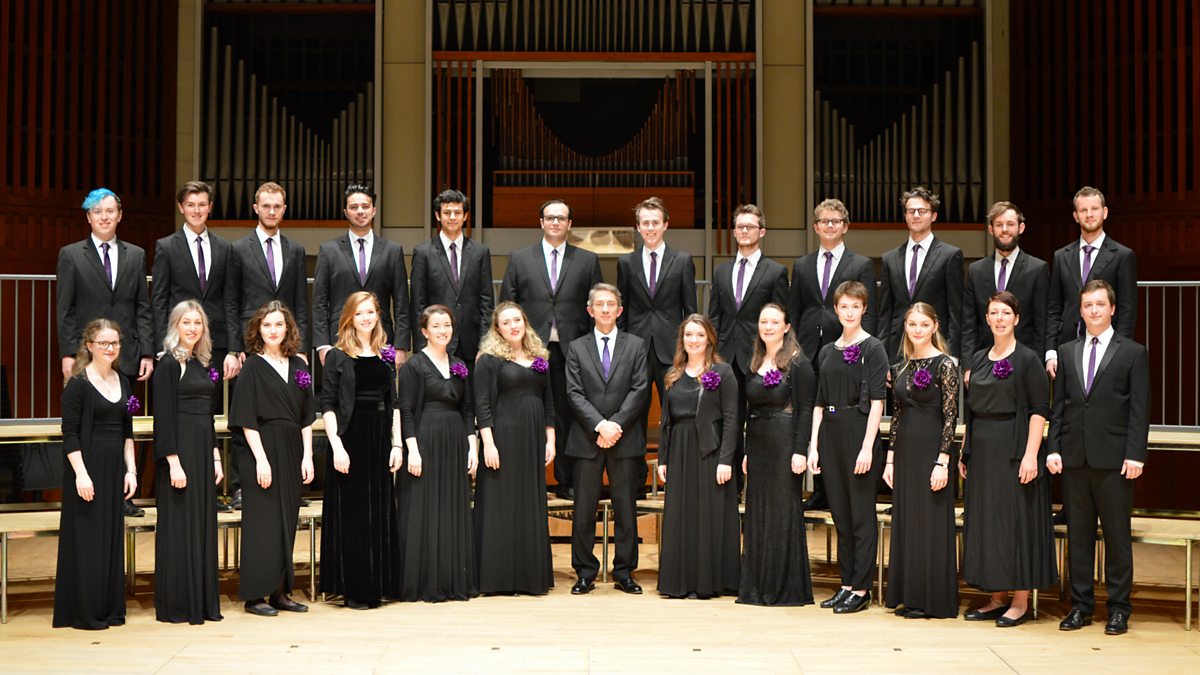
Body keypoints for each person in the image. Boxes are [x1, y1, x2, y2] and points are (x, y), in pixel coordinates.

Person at [1048, 280, 1149, 636]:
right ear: (1080, 310)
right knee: (1079, 537)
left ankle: (1119, 608)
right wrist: (1054, 447)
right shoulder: (1067, 351)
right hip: (1075, 458)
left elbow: (1139, 409)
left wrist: (1135, 454)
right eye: (1088, 305)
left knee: (1117, 538)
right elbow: (1059, 407)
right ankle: (1081, 606)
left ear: (1112, 309)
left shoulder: (1132, 352)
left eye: (1100, 304)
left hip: (1114, 461)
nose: (1093, 310)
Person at [960, 291, 1057, 627]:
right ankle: (997, 597)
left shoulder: (1028, 359)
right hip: (984, 452)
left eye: (1005, 313)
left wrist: (1031, 455)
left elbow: (1039, 410)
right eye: (994, 313)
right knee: (990, 523)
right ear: (987, 319)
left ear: (1016, 319)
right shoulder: (978, 359)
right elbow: (971, 411)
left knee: (1017, 523)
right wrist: (966, 451)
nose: (999, 318)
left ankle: (1019, 600)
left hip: (1015, 451)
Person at [56, 188, 153, 517]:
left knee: (123, 424)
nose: (104, 216)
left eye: (110, 210)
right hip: (87, 356)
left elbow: (142, 307)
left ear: (120, 215)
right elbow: (65, 309)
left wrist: (147, 352)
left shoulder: (136, 255)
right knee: (87, 424)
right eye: (97, 211)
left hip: (126, 355)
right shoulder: (71, 255)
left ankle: (123, 494)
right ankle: (86, 485)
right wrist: (68, 353)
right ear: (88, 217)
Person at [500, 200, 603, 499]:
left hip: (573, 349)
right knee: (527, 411)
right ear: (541, 222)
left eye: (561, 218)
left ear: (569, 224)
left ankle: (566, 480)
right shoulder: (520, 258)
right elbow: (508, 303)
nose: (555, 222)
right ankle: (527, 480)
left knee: (568, 413)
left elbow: (595, 307)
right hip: (529, 350)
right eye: (550, 217)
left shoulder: (587, 260)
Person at [223, 181, 310, 511]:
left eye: (277, 206)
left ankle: (290, 479)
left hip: (284, 343)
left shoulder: (296, 250)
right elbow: (232, 301)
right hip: (251, 345)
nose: (272, 211)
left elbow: (300, 302)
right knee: (247, 414)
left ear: (284, 209)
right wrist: (236, 348)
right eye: (266, 205)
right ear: (255, 208)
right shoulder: (238, 249)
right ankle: (240, 486)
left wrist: (301, 348)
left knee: (288, 413)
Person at [151, 181, 237, 512]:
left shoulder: (224, 248)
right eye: (191, 204)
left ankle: (209, 490)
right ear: (181, 208)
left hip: (213, 345)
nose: (197, 210)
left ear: (210, 207)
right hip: (179, 345)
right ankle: (177, 488)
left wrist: (233, 348)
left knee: (207, 414)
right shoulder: (166, 246)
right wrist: (161, 347)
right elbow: (159, 299)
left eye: (202, 204)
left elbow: (229, 300)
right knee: (179, 415)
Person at [228, 301, 316, 616]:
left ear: (288, 328)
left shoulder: (300, 366)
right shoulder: (252, 366)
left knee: (286, 521)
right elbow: (246, 419)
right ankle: (255, 596)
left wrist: (308, 456)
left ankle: (279, 592)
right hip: (261, 449)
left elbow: (307, 416)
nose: (273, 330)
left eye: (279, 324)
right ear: (258, 330)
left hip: (292, 449)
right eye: (267, 325)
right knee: (262, 524)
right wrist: (261, 460)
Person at [787, 198, 875, 510]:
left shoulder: (861, 264)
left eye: (835, 221)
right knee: (811, 416)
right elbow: (795, 311)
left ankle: (845, 485)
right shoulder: (802, 265)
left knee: (840, 418)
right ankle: (820, 489)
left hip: (846, 353)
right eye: (824, 221)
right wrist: (792, 350)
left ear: (845, 227)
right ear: (815, 227)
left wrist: (863, 353)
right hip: (808, 352)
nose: (829, 226)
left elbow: (869, 314)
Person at [565, 284, 650, 595]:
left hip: (624, 438)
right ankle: (585, 572)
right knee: (583, 511)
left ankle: (625, 572)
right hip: (586, 438)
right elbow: (574, 393)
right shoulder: (576, 347)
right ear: (590, 310)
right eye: (599, 304)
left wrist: (615, 425)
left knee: (625, 510)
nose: (604, 309)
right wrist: (600, 426)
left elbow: (640, 389)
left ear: (619, 310)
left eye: (610, 304)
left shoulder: (636, 345)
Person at [319, 291, 403, 609]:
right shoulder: (337, 356)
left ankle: (377, 585)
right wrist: (337, 446)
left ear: (377, 315)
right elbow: (328, 404)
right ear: (349, 318)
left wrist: (396, 444)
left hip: (379, 439)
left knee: (377, 512)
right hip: (349, 438)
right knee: (352, 515)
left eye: (370, 312)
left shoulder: (385, 355)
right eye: (359, 313)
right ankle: (354, 588)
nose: (366, 317)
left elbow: (393, 403)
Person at [808, 281, 888, 614]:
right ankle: (845, 584)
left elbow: (878, 402)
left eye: (856, 306)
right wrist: (814, 446)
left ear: (864, 309)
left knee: (860, 516)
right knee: (840, 515)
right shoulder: (827, 350)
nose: (849, 312)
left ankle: (861, 588)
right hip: (830, 433)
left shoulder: (873, 348)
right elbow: (818, 401)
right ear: (836, 309)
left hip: (859, 431)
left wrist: (868, 447)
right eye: (844, 306)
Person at [53, 319, 138, 629]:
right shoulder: (78, 384)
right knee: (88, 540)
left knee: (110, 539)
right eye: (103, 343)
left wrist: (131, 470)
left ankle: (110, 608)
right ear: (89, 346)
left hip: (114, 468)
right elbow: (69, 434)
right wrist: (81, 474)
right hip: (86, 468)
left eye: (114, 342)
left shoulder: (124, 381)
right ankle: (86, 612)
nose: (110, 348)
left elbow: (128, 431)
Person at [882, 303, 960, 619]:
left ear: (934, 326)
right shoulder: (900, 367)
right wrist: (889, 459)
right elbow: (897, 415)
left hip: (931, 451)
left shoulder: (946, 365)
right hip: (905, 453)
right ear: (906, 327)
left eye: (924, 324)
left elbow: (951, 417)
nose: (917, 330)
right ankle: (910, 595)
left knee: (930, 523)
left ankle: (933, 601)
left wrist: (943, 461)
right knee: (908, 523)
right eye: (912, 324)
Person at [473, 301, 556, 595]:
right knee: (501, 503)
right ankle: (498, 578)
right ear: (497, 329)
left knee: (528, 503)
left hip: (532, 440)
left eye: (517, 320)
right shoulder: (489, 360)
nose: (513, 326)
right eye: (506, 322)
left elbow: (549, 403)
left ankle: (528, 577)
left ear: (525, 322)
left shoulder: (539, 357)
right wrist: (488, 444)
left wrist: (550, 439)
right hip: (502, 438)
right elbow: (481, 405)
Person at [397, 305, 479, 601]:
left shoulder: (459, 364)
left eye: (447, 325)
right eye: (436, 326)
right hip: (425, 440)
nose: (443, 330)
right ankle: (424, 582)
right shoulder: (414, 366)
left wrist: (472, 447)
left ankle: (451, 580)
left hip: (455, 442)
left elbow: (468, 410)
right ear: (424, 331)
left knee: (451, 508)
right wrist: (412, 450)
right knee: (425, 508)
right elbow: (406, 410)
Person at [737, 303, 815, 607]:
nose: (768, 327)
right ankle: (757, 586)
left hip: (785, 444)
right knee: (758, 512)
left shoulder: (798, 362)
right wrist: (746, 451)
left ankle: (785, 588)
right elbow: (749, 410)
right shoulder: (755, 361)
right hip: (758, 445)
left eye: (774, 322)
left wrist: (800, 451)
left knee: (783, 513)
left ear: (786, 327)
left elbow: (805, 410)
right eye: (763, 322)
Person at [656, 315, 740, 599]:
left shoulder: (723, 372)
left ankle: (706, 582)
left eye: (700, 335)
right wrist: (663, 458)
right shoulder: (673, 374)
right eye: (689, 335)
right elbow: (665, 421)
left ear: (709, 339)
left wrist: (726, 459)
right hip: (679, 450)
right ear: (682, 339)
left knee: (707, 515)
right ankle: (680, 582)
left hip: (710, 451)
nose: (694, 340)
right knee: (682, 516)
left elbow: (732, 419)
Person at [707, 204, 789, 490]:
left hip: (758, 357)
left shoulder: (775, 271)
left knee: (758, 420)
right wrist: (712, 356)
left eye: (750, 226)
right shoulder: (721, 271)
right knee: (726, 419)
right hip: (725, 357)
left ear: (761, 232)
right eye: (740, 226)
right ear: (734, 231)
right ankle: (731, 483)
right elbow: (714, 316)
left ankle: (759, 483)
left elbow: (780, 316)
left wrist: (776, 357)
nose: (744, 231)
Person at [151, 301, 224, 624]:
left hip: (202, 452)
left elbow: (208, 416)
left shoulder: (201, 362)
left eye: (197, 323)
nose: (192, 328)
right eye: (186, 322)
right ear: (175, 326)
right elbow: (163, 418)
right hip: (180, 455)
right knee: (180, 527)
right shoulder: (168, 363)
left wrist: (215, 455)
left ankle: (202, 601)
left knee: (202, 525)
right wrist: (174, 462)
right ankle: (179, 604)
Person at [616, 196, 697, 464]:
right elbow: (623, 311)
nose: (650, 228)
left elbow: (690, 311)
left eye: (655, 222)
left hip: (671, 350)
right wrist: (622, 348)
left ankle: (673, 469)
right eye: (645, 223)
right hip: (636, 350)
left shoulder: (682, 261)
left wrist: (689, 350)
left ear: (665, 225)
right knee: (633, 413)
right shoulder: (626, 263)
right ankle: (635, 475)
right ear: (638, 227)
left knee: (674, 411)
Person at [1045, 186, 1137, 379]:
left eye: (1094, 209)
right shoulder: (1061, 256)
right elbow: (1054, 308)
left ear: (1105, 212)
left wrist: (1120, 352)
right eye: (1083, 210)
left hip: (1108, 348)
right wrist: (1051, 351)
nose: (1089, 214)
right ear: (1075, 216)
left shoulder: (1122, 256)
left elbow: (1127, 309)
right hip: (1068, 347)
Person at [313, 184, 411, 367]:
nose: (360, 211)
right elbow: (319, 301)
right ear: (345, 212)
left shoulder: (392, 251)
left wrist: (401, 346)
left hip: (381, 340)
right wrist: (322, 344)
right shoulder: (329, 251)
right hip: (339, 339)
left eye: (365, 206)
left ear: (374, 210)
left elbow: (401, 303)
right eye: (354, 207)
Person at [961, 202, 1049, 372]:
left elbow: (1041, 324)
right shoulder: (975, 270)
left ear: (1021, 228)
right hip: (983, 362)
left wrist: (1036, 365)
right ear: (991, 229)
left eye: (1010, 224)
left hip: (1023, 363)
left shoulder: (1037, 269)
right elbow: (969, 324)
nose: (1005, 230)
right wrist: (968, 366)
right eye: (999, 225)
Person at [878, 186, 964, 359]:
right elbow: (885, 313)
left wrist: (952, 355)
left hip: (936, 346)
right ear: (905, 215)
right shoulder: (890, 258)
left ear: (933, 216)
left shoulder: (949, 255)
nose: (916, 215)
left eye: (922, 211)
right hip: (897, 349)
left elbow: (956, 310)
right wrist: (881, 356)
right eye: (911, 211)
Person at [411, 189, 494, 365]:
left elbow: (486, 302)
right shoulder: (423, 252)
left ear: (465, 216)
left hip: (472, 344)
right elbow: (418, 303)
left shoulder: (480, 252)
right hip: (435, 343)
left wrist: (485, 345)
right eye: (447, 213)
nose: (452, 217)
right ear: (438, 216)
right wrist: (421, 347)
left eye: (457, 212)